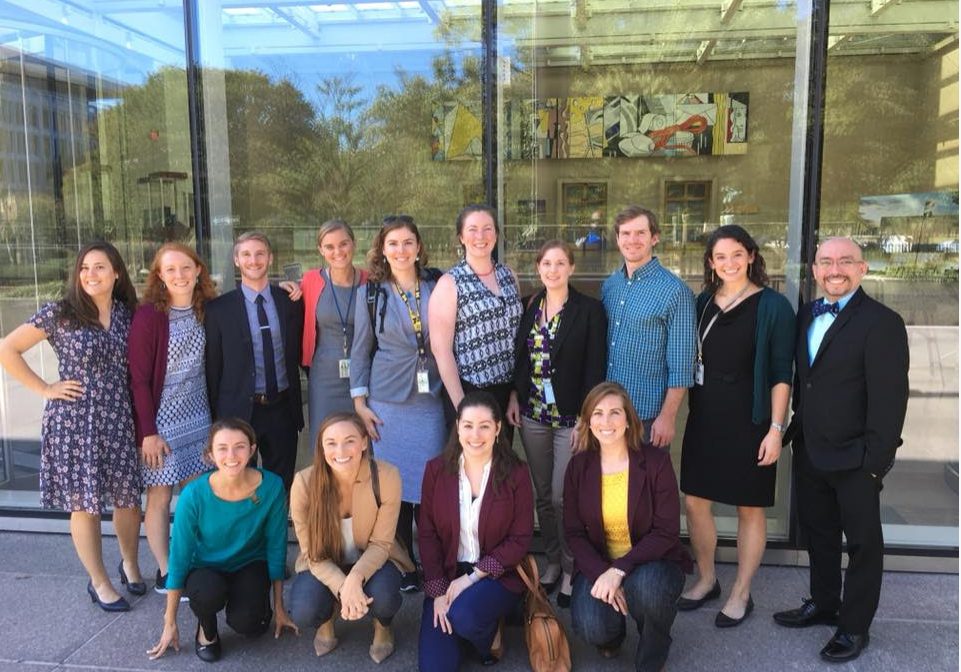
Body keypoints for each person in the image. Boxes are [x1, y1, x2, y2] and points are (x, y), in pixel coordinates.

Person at [773, 237, 909, 663]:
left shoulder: (882, 322)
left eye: (845, 261)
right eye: (826, 262)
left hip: (856, 458)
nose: (835, 269)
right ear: (813, 270)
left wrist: (875, 463)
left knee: (864, 545)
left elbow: (891, 400)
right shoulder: (808, 315)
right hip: (811, 449)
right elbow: (806, 381)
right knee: (820, 535)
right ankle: (824, 603)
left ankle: (854, 627)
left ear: (863, 268)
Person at [0, 241, 144, 611]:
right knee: (86, 503)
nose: (90, 275)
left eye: (99, 267)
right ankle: (99, 582)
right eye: (84, 268)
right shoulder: (61, 313)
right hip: (75, 419)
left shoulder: (130, 314)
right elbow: (7, 349)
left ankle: (129, 563)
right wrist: (45, 388)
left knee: (128, 499)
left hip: (119, 416)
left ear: (116, 273)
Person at [677, 225, 795, 626]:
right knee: (695, 501)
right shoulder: (701, 303)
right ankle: (707, 577)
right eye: (720, 256)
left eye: (736, 254)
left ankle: (741, 592)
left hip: (753, 421)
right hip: (706, 416)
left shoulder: (773, 306)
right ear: (710, 262)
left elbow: (782, 373)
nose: (729, 263)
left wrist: (776, 430)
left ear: (751, 256)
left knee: (750, 508)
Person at [563, 382, 691, 672]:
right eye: (597, 413)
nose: (606, 422)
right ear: (588, 420)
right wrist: (602, 573)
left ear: (628, 419)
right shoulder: (579, 467)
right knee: (590, 626)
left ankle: (653, 653)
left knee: (648, 590)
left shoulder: (656, 462)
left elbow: (666, 531)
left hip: (651, 561)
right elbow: (574, 533)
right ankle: (613, 632)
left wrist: (619, 570)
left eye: (614, 413)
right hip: (600, 562)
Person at [506, 239, 607, 605]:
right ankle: (551, 561)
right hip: (533, 415)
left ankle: (570, 567)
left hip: (570, 418)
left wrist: (587, 416)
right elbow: (519, 359)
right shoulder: (529, 305)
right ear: (538, 268)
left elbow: (595, 368)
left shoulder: (589, 311)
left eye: (560, 263)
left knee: (564, 496)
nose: (553, 270)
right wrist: (515, 396)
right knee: (543, 496)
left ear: (572, 268)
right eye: (546, 264)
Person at [147, 418, 298, 662]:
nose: (232, 455)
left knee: (251, 625)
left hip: (249, 562)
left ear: (251, 450)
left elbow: (276, 546)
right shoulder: (193, 495)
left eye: (240, 446)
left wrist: (279, 607)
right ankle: (206, 629)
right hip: (206, 567)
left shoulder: (271, 486)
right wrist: (169, 622)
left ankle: (247, 605)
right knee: (207, 592)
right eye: (222, 448)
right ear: (210, 455)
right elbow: (179, 557)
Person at [351, 215, 445, 593]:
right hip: (387, 399)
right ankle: (402, 565)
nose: (401, 250)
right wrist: (359, 402)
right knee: (392, 490)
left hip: (430, 398)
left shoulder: (438, 286)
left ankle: (433, 563)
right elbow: (360, 349)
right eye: (393, 243)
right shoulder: (371, 294)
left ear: (418, 246)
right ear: (383, 249)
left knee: (429, 487)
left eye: (408, 242)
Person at [417, 391, 534, 672]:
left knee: (465, 616)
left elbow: (520, 539)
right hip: (447, 573)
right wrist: (437, 593)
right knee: (435, 667)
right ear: (458, 427)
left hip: (497, 574)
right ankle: (468, 628)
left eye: (484, 426)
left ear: (497, 429)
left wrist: (470, 580)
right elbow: (427, 534)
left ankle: (486, 633)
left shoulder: (516, 473)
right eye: (468, 425)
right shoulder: (436, 470)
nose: (475, 434)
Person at [287, 412, 414, 664]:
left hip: (374, 559)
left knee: (386, 596)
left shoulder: (387, 476)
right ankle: (326, 619)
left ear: (365, 442)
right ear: (322, 448)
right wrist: (343, 587)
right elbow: (313, 553)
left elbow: (381, 544)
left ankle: (383, 625)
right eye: (331, 443)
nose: (341, 450)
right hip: (324, 562)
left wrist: (355, 578)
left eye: (350, 441)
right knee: (303, 610)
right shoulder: (304, 483)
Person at [129, 243, 217, 594]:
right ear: (160, 276)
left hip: (199, 416)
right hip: (162, 421)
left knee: (197, 494)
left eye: (185, 268)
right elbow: (137, 379)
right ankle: (167, 569)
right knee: (160, 497)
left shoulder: (207, 308)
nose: (179, 275)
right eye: (170, 270)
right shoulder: (150, 317)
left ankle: (195, 558)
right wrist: (147, 432)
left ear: (198, 271)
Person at [205, 232, 304, 491]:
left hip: (282, 409)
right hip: (238, 412)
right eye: (246, 254)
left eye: (260, 253)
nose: (254, 260)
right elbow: (213, 370)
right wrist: (217, 420)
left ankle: (274, 533)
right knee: (238, 486)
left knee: (279, 487)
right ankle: (245, 533)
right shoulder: (219, 310)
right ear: (237, 260)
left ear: (270, 258)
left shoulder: (289, 301)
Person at [601, 205, 696, 447]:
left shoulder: (676, 292)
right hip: (607, 412)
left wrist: (668, 416)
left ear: (654, 238)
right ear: (617, 238)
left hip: (646, 416)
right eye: (626, 233)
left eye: (640, 233)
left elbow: (682, 364)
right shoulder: (611, 285)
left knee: (645, 484)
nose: (632, 240)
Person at [428, 204, 522, 443]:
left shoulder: (509, 276)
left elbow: (517, 340)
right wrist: (463, 409)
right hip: (470, 391)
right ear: (461, 236)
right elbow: (441, 351)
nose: (480, 236)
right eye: (472, 229)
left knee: (501, 468)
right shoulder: (450, 283)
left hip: (505, 392)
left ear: (496, 234)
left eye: (487, 228)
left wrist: (514, 393)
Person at [302, 219, 369, 451]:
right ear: (321, 250)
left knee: (361, 442)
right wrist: (288, 288)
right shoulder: (311, 280)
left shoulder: (370, 281)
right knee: (325, 445)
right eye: (329, 247)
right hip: (324, 377)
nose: (337, 251)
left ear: (353, 244)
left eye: (343, 244)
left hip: (364, 376)